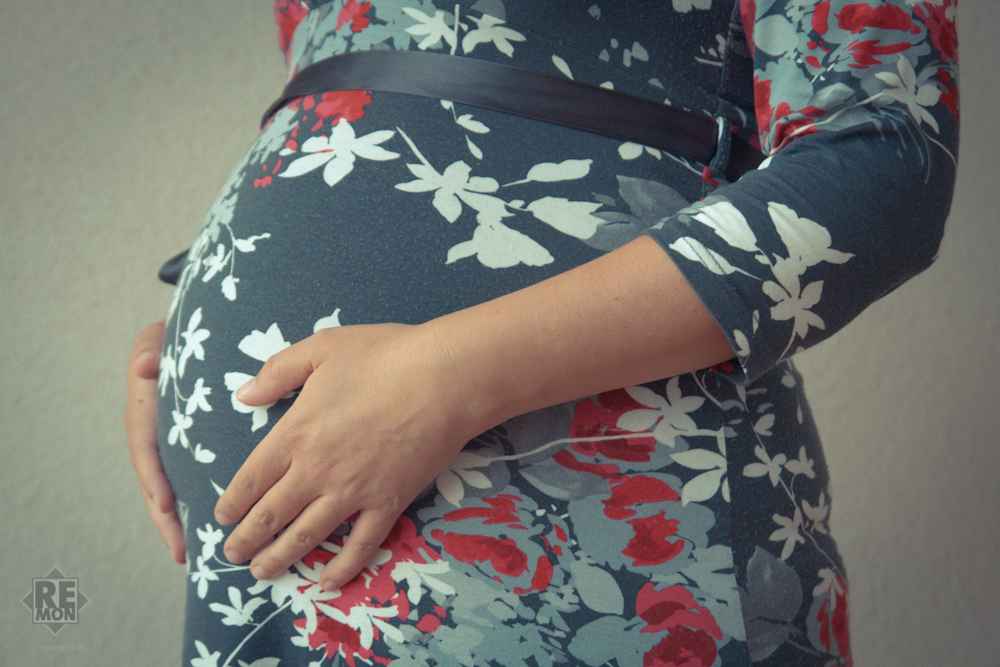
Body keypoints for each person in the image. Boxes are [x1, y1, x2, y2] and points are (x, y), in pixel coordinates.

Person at [123, 1, 959, 665]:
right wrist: (211, 304)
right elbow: (356, 89)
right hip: (281, 560)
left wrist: (446, 377)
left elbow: (882, 163)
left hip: (581, 488)